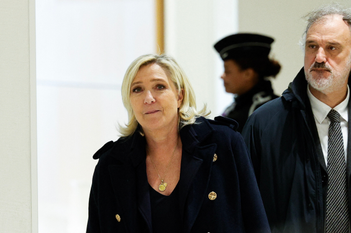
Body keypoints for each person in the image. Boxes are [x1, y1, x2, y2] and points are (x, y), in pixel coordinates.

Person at [242, 3, 351, 233]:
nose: (319, 57)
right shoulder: (264, 123)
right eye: (312, 46)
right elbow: (243, 208)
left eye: (332, 48)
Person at [86, 54, 270, 233]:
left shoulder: (224, 143)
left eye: (159, 86)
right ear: (130, 101)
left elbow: (256, 223)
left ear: (179, 96)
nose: (148, 98)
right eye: (137, 89)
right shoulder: (111, 163)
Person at [214, 33, 281, 132]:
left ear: (248, 74)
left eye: (227, 71)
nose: (222, 76)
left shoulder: (270, 110)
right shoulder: (233, 108)